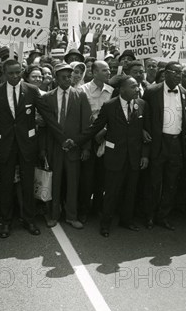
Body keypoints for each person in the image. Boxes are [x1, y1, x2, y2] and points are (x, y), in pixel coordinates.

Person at [0, 59, 70, 238]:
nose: (15, 76)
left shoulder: (32, 90)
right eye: (10, 73)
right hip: (5, 145)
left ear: (21, 71)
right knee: (5, 184)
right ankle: (6, 222)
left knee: (28, 183)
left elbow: (48, 116)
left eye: (17, 72)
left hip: (27, 145)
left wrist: (62, 138)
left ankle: (29, 220)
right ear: (4, 74)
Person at [72, 75, 150, 236]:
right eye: (133, 86)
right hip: (115, 158)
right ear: (121, 90)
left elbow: (145, 133)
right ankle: (105, 224)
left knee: (130, 192)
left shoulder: (142, 104)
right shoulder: (109, 106)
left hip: (134, 158)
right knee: (111, 193)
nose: (137, 89)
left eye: (137, 86)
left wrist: (145, 155)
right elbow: (95, 128)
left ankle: (126, 220)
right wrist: (75, 141)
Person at [142, 61, 186, 230]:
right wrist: (144, 131)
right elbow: (144, 115)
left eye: (181, 73)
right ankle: (149, 214)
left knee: (171, 182)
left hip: (176, 143)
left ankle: (163, 216)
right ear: (166, 73)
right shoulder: (152, 91)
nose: (179, 76)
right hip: (158, 142)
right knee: (154, 182)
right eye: (176, 72)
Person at [42, 63, 91, 229]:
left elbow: (86, 124)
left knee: (72, 183)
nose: (67, 79)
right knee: (54, 182)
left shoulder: (81, 96)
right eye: (63, 77)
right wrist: (43, 149)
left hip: (74, 147)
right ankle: (53, 215)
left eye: (70, 76)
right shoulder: (47, 97)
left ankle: (71, 216)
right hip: (54, 147)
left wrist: (85, 147)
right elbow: (46, 126)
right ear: (56, 79)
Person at [77, 60, 113, 223]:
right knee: (87, 177)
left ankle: (97, 207)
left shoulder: (112, 91)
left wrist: (103, 131)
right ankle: (83, 210)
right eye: (105, 70)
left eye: (109, 70)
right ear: (94, 72)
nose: (108, 73)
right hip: (89, 140)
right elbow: (80, 118)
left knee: (103, 176)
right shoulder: (81, 91)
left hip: (105, 138)